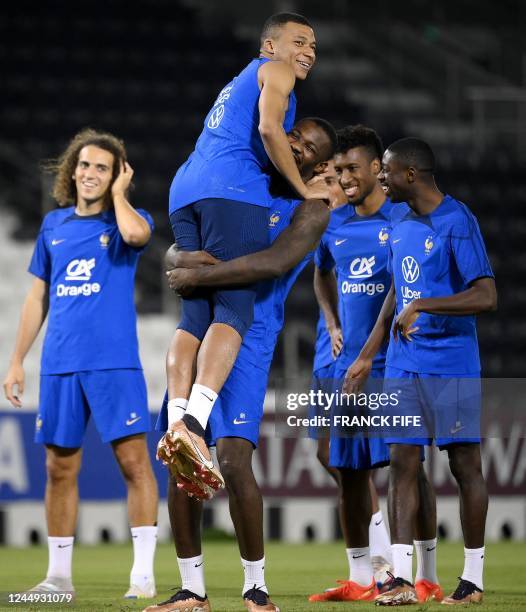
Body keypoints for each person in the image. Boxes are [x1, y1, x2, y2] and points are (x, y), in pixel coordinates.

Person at [147, 117, 337, 612]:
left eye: (310, 149)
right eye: (295, 135)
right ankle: (193, 590)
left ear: (316, 166)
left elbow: (270, 265)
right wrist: (185, 261)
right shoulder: (241, 180)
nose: (297, 146)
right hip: (206, 323)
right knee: (180, 459)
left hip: (249, 338)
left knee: (232, 460)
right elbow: (173, 249)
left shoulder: (311, 210)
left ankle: (256, 586)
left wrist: (197, 270)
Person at [166, 12, 329, 492]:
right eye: (299, 41)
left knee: (193, 315)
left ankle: (177, 419)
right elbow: (269, 129)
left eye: (314, 46)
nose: (308, 52)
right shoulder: (275, 73)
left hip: (185, 188)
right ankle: (195, 426)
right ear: (268, 47)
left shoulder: (233, 85)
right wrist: (303, 189)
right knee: (235, 307)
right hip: (231, 190)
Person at [2, 129, 159, 600]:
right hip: (60, 365)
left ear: (117, 176)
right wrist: (16, 361)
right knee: (58, 469)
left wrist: (119, 196)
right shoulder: (53, 226)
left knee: (133, 464)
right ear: (72, 169)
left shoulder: (128, 220)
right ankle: (58, 579)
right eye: (85, 165)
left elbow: (137, 235)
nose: (90, 174)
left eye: (103, 168)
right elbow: (37, 295)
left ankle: (143, 575)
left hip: (113, 364)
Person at [347, 137, 497, 606]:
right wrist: (371, 353)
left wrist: (424, 304)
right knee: (403, 464)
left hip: (452, 362)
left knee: (463, 466)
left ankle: (472, 578)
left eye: (387, 172)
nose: (382, 179)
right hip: (404, 362)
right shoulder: (400, 222)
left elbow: (486, 295)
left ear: (410, 174)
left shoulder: (457, 220)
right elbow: (397, 291)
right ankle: (400, 579)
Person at [308, 126, 440, 603]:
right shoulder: (334, 223)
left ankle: (424, 572)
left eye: (350, 169)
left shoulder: (403, 220)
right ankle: (364, 576)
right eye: (336, 169)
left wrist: (369, 352)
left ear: (376, 171)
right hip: (342, 362)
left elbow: (404, 289)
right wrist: (330, 319)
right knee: (342, 466)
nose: (341, 178)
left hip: (392, 360)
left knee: (407, 466)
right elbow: (321, 273)